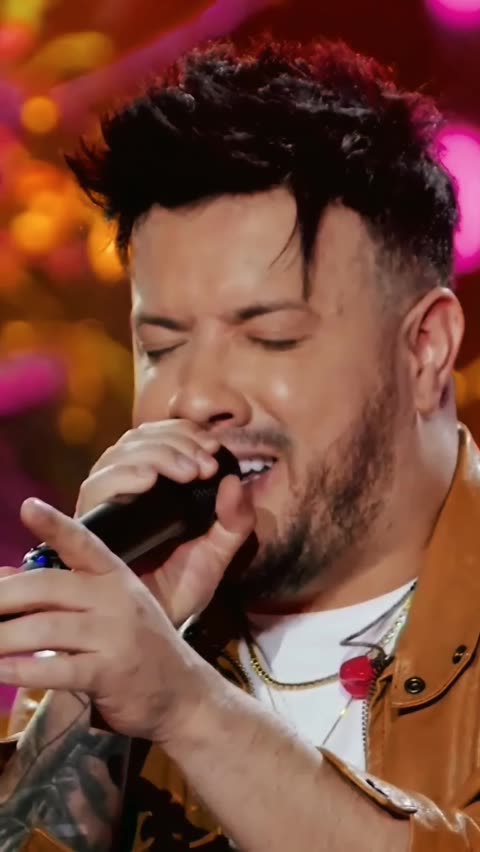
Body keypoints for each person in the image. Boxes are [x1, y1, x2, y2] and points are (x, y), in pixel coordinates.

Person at [0, 34, 477, 852]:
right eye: (161, 345)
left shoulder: (174, 689)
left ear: (426, 348)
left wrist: (188, 710)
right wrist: (88, 688)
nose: (195, 396)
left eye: (270, 336)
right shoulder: (149, 643)